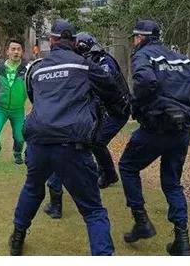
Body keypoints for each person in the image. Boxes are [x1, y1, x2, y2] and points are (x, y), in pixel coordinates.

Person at [8, 20, 126, 256]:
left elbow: (35, 98)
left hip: (39, 143)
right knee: (93, 210)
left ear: (51, 42)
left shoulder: (36, 68)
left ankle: (18, 237)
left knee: (32, 188)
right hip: (71, 145)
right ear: (74, 42)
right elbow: (112, 92)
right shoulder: (85, 66)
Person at [118, 20, 190, 255]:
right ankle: (182, 240)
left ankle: (141, 221)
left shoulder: (143, 56)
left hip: (155, 127)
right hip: (182, 129)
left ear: (140, 38)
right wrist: (185, 104)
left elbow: (146, 81)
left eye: (134, 38)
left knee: (128, 166)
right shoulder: (180, 57)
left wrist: (141, 106)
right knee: (172, 183)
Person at [43, 32, 132, 220]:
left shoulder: (104, 62)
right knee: (87, 143)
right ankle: (103, 174)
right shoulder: (87, 62)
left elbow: (105, 87)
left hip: (116, 111)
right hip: (100, 112)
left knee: (94, 142)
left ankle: (107, 174)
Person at [0, 38, 28, 165]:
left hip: (18, 109)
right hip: (0, 108)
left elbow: (34, 85)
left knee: (20, 138)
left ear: (22, 52)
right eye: (13, 49)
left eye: (18, 49)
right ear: (7, 52)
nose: (16, 52)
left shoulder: (27, 68)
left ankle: (17, 153)